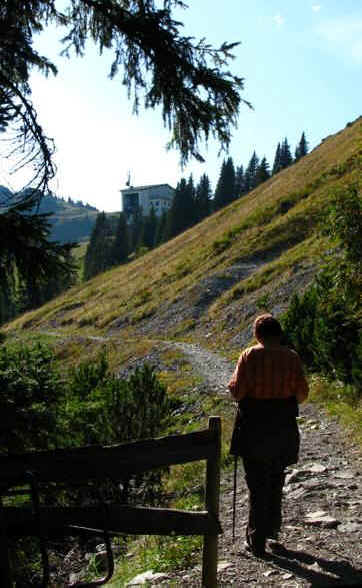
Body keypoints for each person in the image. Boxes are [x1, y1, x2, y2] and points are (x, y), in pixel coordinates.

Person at [228, 313, 308, 557]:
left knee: (257, 485)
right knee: (275, 481)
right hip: (283, 427)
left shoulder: (249, 356)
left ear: (258, 335)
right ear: (279, 333)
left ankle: (257, 540)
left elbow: (238, 392)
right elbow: (302, 393)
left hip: (254, 427)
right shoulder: (291, 357)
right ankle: (272, 532)